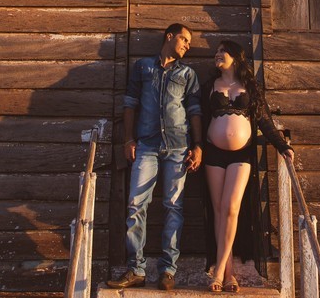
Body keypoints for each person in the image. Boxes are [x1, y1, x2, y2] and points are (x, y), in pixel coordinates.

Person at [107, 23, 203, 292]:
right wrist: (128, 139)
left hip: (178, 147)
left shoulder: (188, 74)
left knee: (174, 207)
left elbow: (194, 111)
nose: (187, 45)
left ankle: (167, 271)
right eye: (184, 39)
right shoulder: (143, 67)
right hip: (146, 146)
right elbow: (130, 104)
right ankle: (136, 269)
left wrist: (198, 146)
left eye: (189, 42)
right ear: (169, 37)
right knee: (136, 204)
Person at [202, 40, 293, 293]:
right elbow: (198, 117)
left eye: (223, 51)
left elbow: (264, 121)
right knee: (219, 211)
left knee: (232, 208)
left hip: (241, 155)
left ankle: (217, 270)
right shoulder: (209, 85)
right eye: (217, 52)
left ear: (236, 57)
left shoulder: (250, 87)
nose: (217, 55)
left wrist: (283, 146)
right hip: (213, 154)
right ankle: (228, 274)